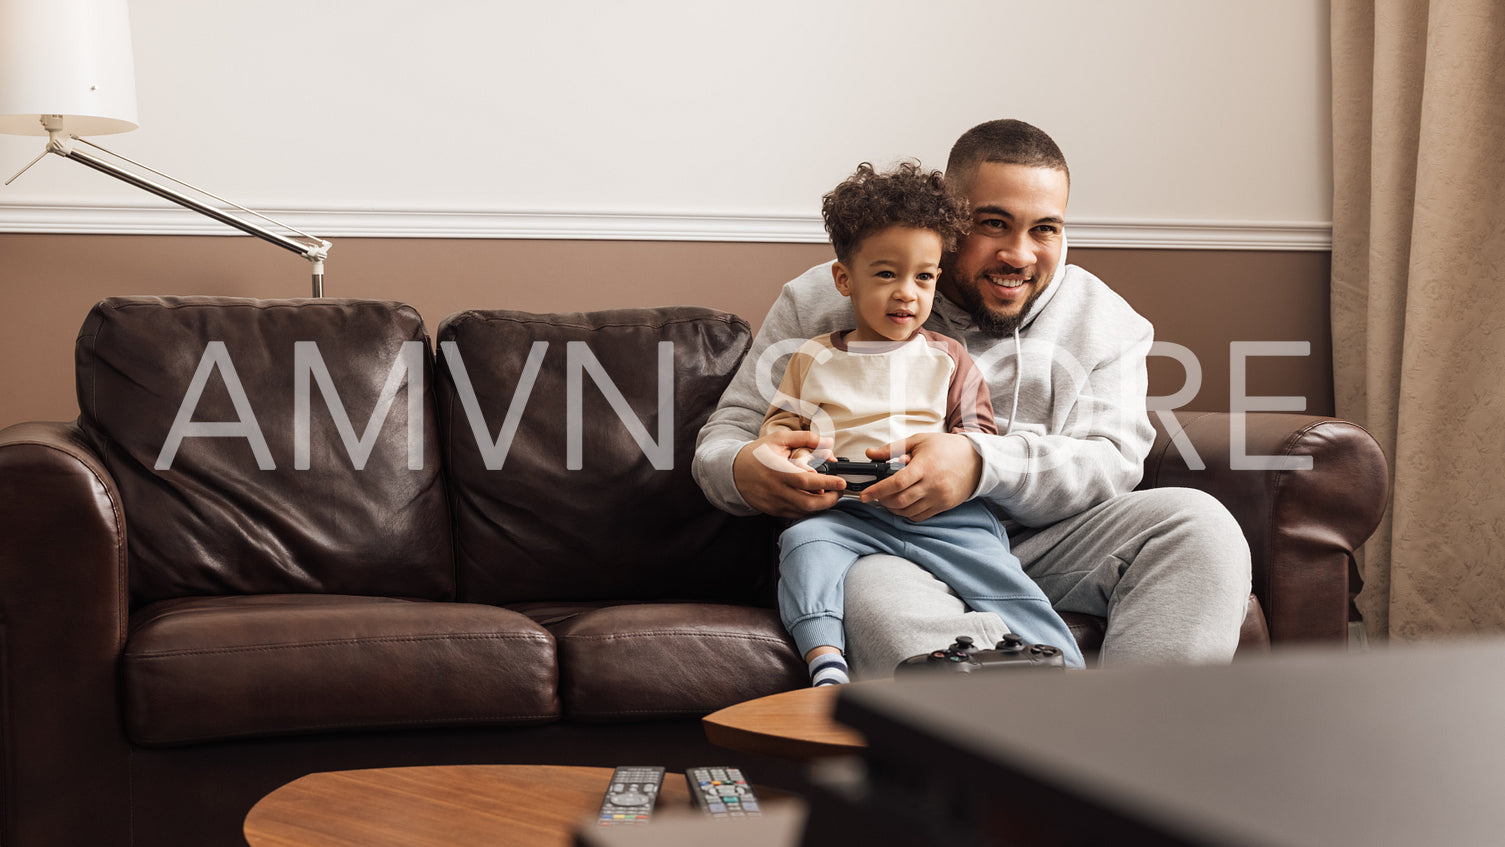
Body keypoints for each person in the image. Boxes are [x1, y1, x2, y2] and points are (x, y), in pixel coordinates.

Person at [692, 119, 1251, 677]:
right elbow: (730, 432)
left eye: (1046, 229)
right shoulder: (826, 296)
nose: (1019, 254)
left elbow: (1112, 459)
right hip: (879, 536)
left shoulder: (1104, 321)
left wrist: (980, 463)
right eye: (993, 223)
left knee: (1200, 525)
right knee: (873, 587)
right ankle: (1012, 723)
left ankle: (1138, 750)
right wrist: (748, 470)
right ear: (949, 221)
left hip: (1045, 543)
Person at [764, 162, 1086, 686]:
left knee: (1002, 577)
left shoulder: (949, 358)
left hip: (945, 516)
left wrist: (953, 455)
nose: (907, 294)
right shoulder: (811, 357)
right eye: (887, 274)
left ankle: (1066, 673)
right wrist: (787, 453)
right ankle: (824, 659)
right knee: (801, 547)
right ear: (844, 278)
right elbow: (781, 425)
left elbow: (978, 440)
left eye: (924, 277)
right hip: (848, 512)